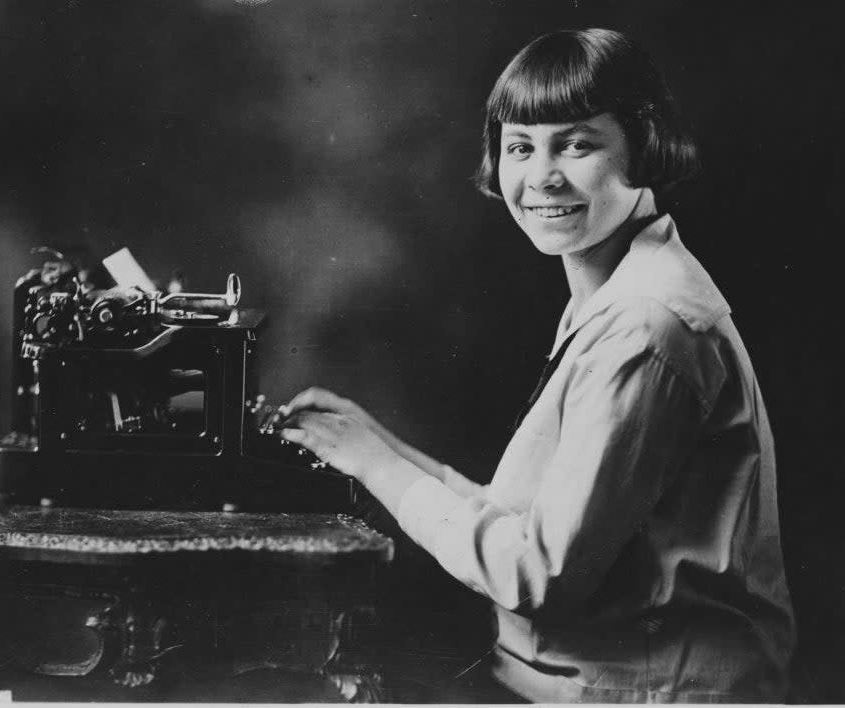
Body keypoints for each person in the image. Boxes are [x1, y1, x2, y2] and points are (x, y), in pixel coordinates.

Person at [276, 28, 796, 703]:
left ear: (646, 145)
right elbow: (527, 522)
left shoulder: (645, 323)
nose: (542, 176)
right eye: (520, 147)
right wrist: (377, 446)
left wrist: (377, 467)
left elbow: (534, 575)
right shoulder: (618, 292)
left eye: (577, 144)